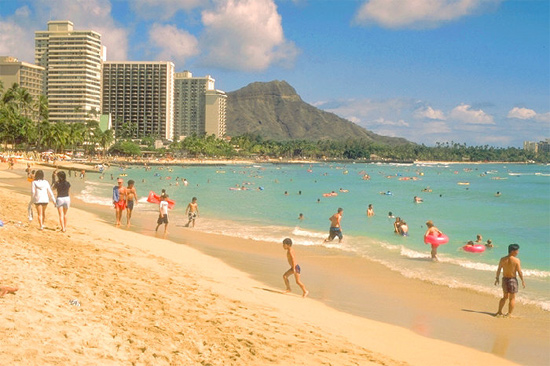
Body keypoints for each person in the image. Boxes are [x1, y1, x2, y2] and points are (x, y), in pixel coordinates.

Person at [495, 244, 525, 317]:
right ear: (512, 251)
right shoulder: (516, 260)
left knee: (505, 297)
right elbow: (519, 272)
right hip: (512, 280)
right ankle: (509, 314)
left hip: (504, 279)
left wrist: (497, 278)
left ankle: (499, 311)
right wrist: (522, 281)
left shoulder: (502, 259)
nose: (518, 252)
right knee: (512, 298)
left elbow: (499, 269)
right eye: (516, 251)